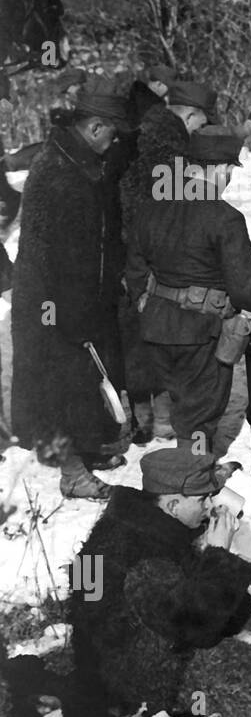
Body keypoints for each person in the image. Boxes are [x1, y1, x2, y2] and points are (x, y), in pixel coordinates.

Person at [68, 447, 251, 717]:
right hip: (133, 670)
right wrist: (220, 555)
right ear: (173, 505)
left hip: (128, 645)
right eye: (202, 500)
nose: (210, 507)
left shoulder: (139, 524)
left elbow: (186, 594)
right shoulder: (142, 556)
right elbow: (197, 626)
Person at [126, 126, 251, 458]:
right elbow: (245, 289)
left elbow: (136, 269)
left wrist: (146, 305)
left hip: (157, 327)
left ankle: (188, 468)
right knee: (199, 417)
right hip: (202, 333)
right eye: (230, 170)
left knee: (182, 400)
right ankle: (193, 478)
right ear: (222, 169)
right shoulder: (224, 218)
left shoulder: (150, 207)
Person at [10, 75, 132, 498]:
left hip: (79, 299)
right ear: (95, 128)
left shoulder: (82, 163)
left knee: (84, 382)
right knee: (57, 386)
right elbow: (44, 254)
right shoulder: (55, 171)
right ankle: (73, 474)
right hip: (48, 302)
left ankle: (86, 450)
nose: (114, 142)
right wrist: (58, 313)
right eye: (111, 133)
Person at [117, 78, 219, 442]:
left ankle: (141, 417)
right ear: (190, 116)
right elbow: (171, 212)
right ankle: (160, 418)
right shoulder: (169, 148)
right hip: (149, 256)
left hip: (123, 251)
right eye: (201, 124)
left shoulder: (139, 130)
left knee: (132, 336)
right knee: (159, 334)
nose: (200, 131)